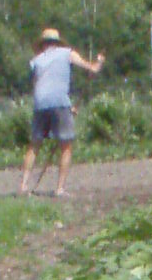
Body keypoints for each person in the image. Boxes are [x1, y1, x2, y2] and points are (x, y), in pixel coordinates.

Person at [20, 26, 105, 197]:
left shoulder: (36, 60)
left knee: (34, 145)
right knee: (66, 146)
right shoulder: (67, 53)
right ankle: (59, 189)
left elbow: (38, 84)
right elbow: (92, 69)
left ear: (43, 44)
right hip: (59, 102)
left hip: (40, 104)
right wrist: (100, 61)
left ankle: (23, 186)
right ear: (57, 43)